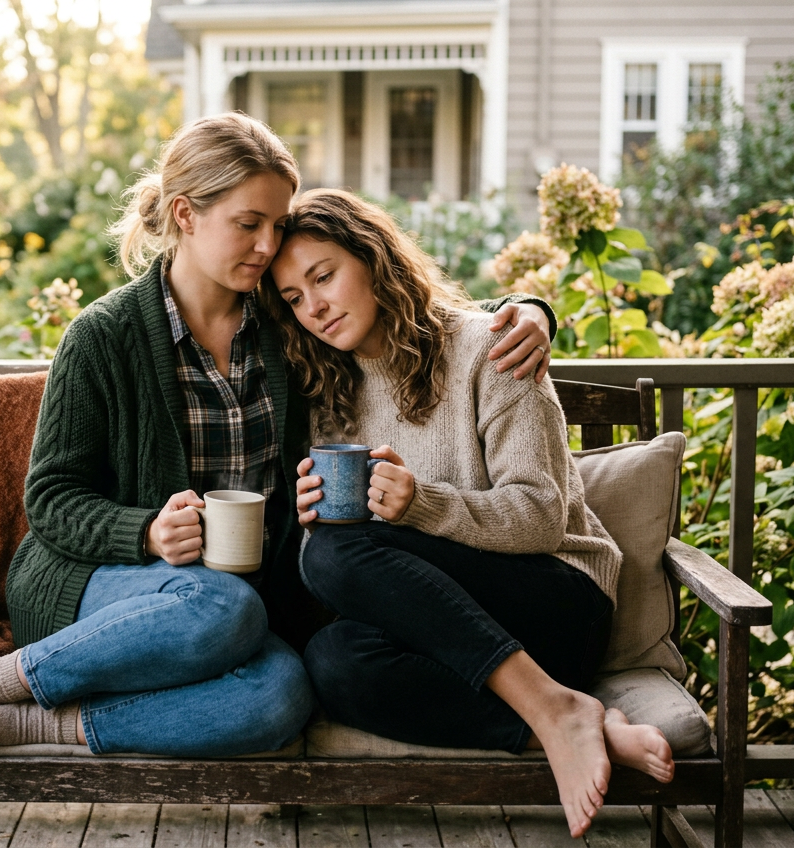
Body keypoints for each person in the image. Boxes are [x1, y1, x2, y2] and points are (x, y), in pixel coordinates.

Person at [0, 114, 557, 759]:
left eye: (276, 226)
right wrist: (145, 531)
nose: (268, 247)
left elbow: (397, 303)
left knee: (281, 694)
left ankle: (29, 726)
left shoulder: (286, 325)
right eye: (248, 224)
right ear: (186, 215)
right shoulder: (102, 336)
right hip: (96, 587)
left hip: (234, 603)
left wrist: (525, 312)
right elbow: (52, 499)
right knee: (221, 604)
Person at [262, 189, 675, 838]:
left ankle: (557, 706)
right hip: (453, 639)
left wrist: (419, 504)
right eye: (293, 297)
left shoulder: (494, 349)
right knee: (334, 659)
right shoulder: (328, 392)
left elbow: (542, 516)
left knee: (336, 551)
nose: (313, 306)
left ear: (373, 259)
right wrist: (315, 510)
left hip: (555, 603)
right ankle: (564, 721)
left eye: (324, 276)